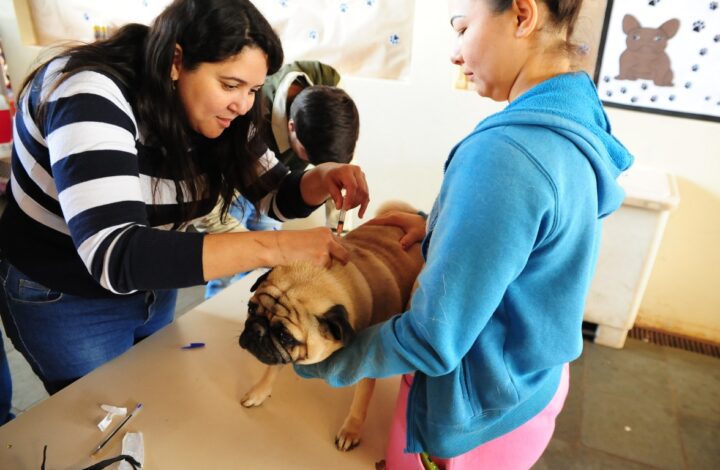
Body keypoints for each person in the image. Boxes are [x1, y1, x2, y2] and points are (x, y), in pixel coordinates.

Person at [295, 0, 633, 468]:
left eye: (462, 28)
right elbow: (535, 243)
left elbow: (434, 339)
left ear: (521, 15)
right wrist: (443, 230)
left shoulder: (505, 154)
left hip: (477, 404)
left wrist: (318, 357)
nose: (455, 54)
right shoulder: (574, 119)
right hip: (531, 379)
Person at [0, 0, 369, 396]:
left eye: (254, 90)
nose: (243, 104)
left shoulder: (223, 111)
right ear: (176, 60)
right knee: (97, 413)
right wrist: (277, 247)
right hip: (67, 294)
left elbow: (274, 194)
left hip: (154, 282)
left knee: (151, 389)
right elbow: (117, 253)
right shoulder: (89, 92)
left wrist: (321, 177)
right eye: (230, 85)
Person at [198, 60, 359, 298]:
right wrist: (259, 248)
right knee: (228, 272)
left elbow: (329, 178)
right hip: (224, 189)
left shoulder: (330, 86)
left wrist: (340, 234)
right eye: (311, 159)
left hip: (276, 187)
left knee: (268, 273)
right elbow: (208, 208)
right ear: (291, 127)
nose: (316, 167)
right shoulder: (249, 111)